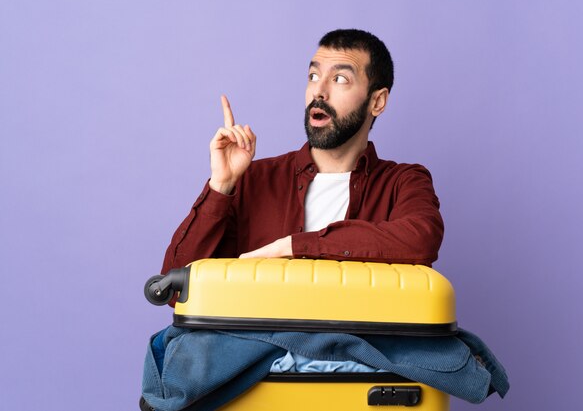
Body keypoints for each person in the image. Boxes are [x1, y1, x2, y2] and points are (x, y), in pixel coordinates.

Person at [161, 28, 443, 280]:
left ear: (377, 101)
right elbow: (175, 287)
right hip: (259, 337)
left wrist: (294, 246)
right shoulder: (253, 179)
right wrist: (220, 186)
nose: (319, 91)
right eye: (313, 76)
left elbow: (420, 239)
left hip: (354, 337)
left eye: (340, 79)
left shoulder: (404, 182)